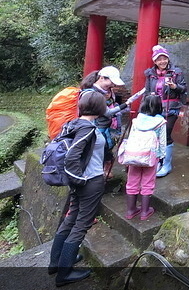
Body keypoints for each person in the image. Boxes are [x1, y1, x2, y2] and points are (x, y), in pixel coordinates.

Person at [48, 91, 107, 286]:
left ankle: (56, 263)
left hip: (79, 181)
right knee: (81, 223)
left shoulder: (73, 123)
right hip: (90, 180)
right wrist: (80, 179)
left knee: (71, 219)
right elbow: (72, 157)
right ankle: (64, 274)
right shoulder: (87, 129)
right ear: (99, 108)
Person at [143, 45, 187, 177]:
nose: (162, 61)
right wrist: (143, 109)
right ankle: (158, 161)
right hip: (154, 108)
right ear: (155, 61)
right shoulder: (150, 74)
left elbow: (184, 89)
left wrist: (175, 86)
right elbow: (146, 92)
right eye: (159, 59)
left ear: (168, 59)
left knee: (165, 133)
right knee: (155, 135)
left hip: (171, 108)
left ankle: (166, 164)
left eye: (164, 58)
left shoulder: (176, 72)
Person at [124, 94, 166, 221]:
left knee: (132, 181)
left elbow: (130, 138)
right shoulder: (161, 122)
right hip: (151, 157)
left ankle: (131, 210)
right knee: (148, 182)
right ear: (159, 107)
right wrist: (162, 157)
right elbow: (163, 142)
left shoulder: (136, 121)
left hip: (134, 156)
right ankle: (144, 211)